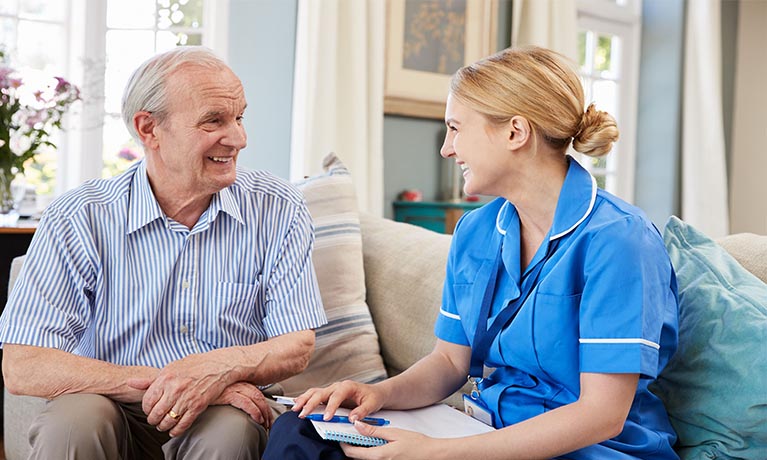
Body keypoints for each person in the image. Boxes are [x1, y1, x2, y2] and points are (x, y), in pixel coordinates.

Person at [263, 46, 679, 460]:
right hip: (484, 430)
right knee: (300, 430)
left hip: (587, 449)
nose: (447, 149)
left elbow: (600, 415)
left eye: (456, 128)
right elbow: (448, 361)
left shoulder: (620, 241)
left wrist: (439, 452)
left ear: (516, 132)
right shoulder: (476, 230)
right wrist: (375, 393)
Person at [0, 46, 328, 460]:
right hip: (111, 403)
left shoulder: (277, 206)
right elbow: (24, 364)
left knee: (229, 432)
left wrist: (218, 373)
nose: (239, 138)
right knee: (74, 422)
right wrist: (185, 382)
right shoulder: (79, 215)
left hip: (226, 413)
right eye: (214, 121)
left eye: (239, 117)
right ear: (149, 129)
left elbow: (296, 343)